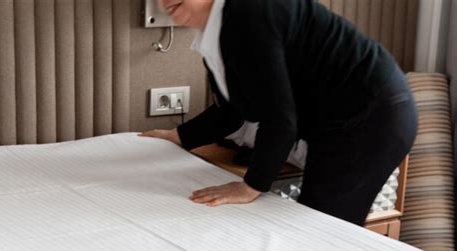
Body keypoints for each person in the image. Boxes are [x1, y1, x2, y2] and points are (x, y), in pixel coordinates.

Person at [139, 0, 417, 225]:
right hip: (347, 119)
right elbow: (235, 109)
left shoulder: (249, 14)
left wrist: (250, 187)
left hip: (372, 117)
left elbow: (280, 119)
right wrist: (179, 136)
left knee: (322, 229)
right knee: (318, 226)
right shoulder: (221, 31)